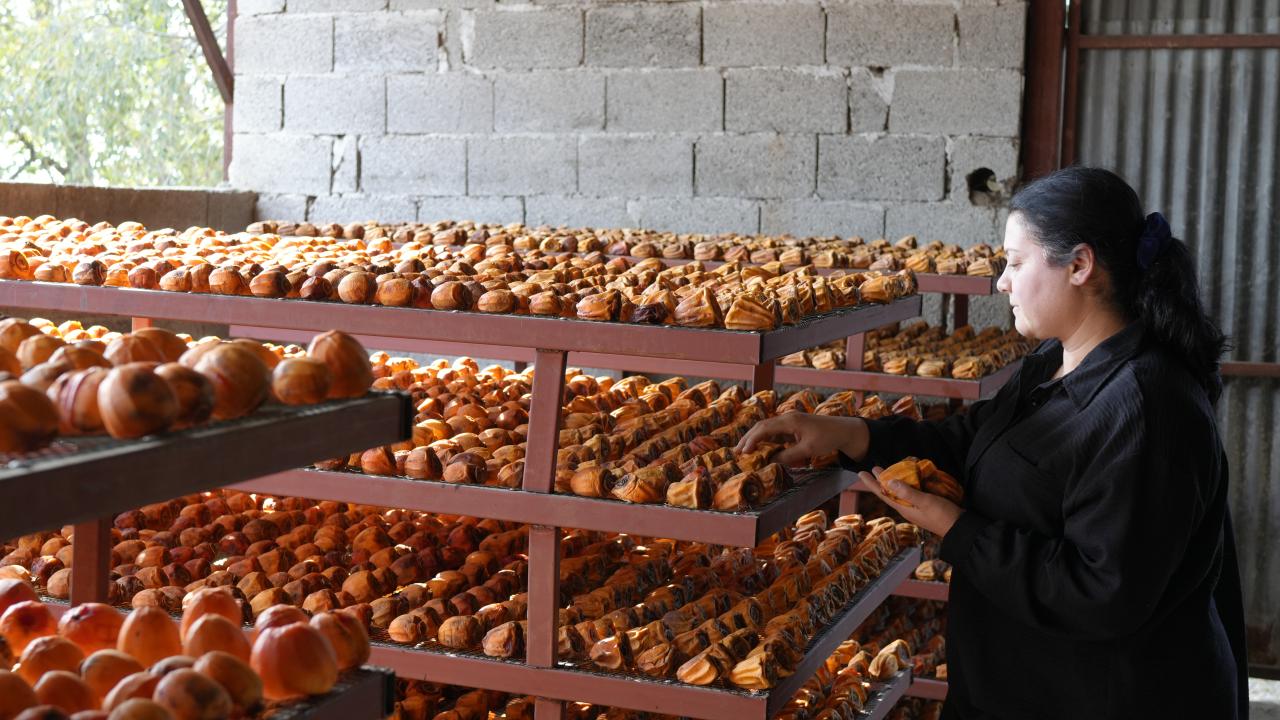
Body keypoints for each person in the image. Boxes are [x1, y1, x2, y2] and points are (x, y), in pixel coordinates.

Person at [737, 167, 1248, 719]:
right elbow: (977, 439)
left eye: (1017, 262)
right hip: (1012, 684)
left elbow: (1102, 593)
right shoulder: (1056, 360)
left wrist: (956, 529)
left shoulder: (1148, 408)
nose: (1001, 282)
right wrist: (853, 435)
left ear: (1079, 265)